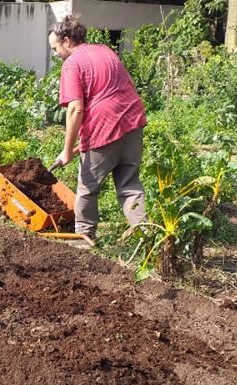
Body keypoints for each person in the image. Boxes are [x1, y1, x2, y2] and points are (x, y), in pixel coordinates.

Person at [47, 16, 147, 243]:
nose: (56, 54)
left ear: (67, 41)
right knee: (129, 185)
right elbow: (129, 82)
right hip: (132, 121)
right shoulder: (105, 50)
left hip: (104, 126)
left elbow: (75, 110)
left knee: (88, 187)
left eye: (55, 48)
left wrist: (66, 150)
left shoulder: (72, 64)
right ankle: (147, 235)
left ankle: (84, 235)